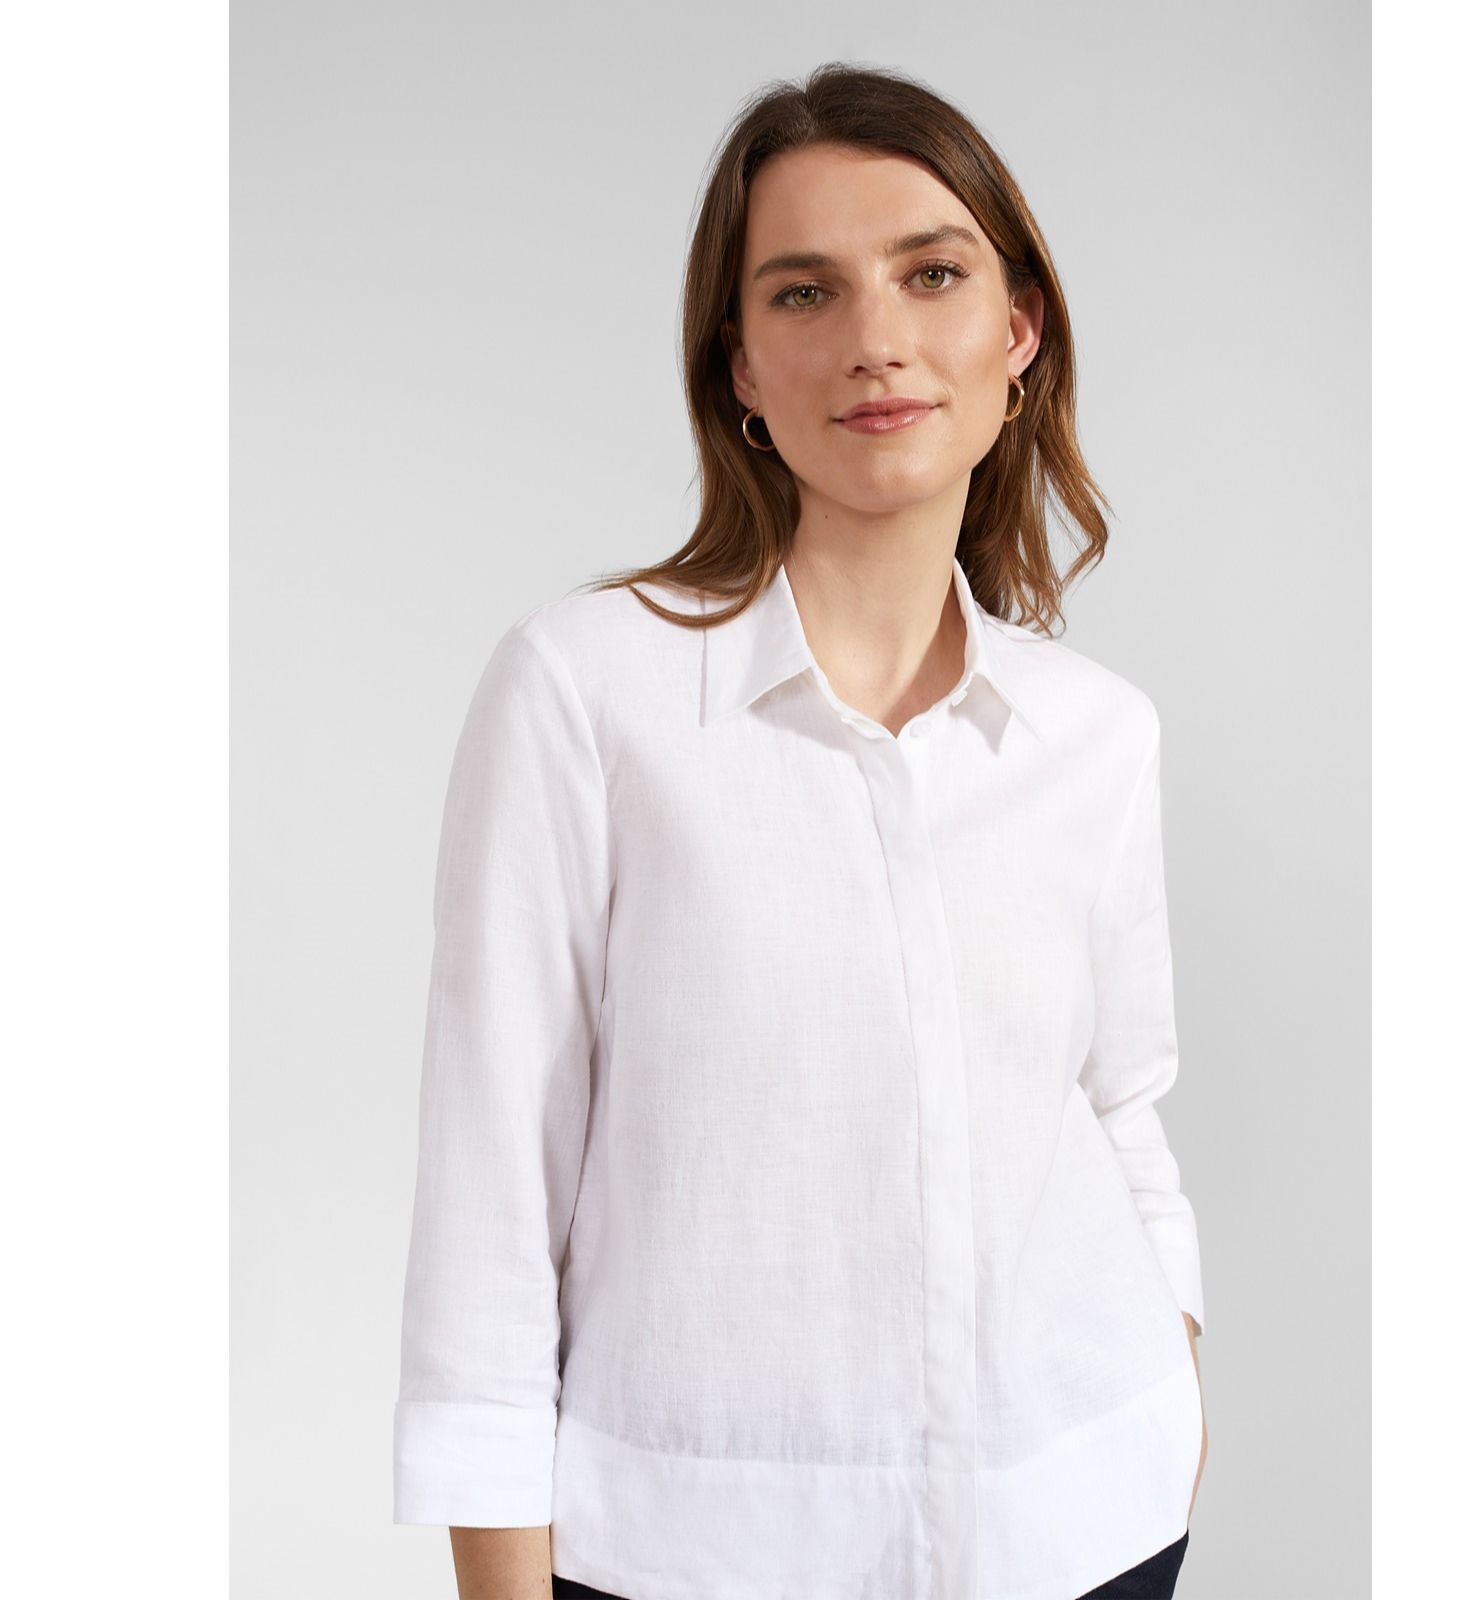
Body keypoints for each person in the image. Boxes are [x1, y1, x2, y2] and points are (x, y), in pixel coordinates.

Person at [394, 61, 1208, 1600]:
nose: (875, 339)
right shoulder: (587, 692)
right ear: (743, 372)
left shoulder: (1098, 733)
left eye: (933, 273)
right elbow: (492, 1192)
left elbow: (1121, 1106)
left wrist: (1173, 1358)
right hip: (692, 1558)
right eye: (804, 292)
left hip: (1087, 1522)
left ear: (1018, 333)